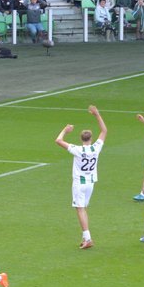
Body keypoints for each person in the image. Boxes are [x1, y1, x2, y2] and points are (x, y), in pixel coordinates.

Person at [55, 105, 107, 250]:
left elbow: (58, 141)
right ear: (91, 138)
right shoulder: (96, 148)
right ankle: (85, 237)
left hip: (79, 183)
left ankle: (88, 238)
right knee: (83, 208)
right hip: (91, 183)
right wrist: (97, 114)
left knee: (80, 209)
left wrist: (65, 130)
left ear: (80, 138)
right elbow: (104, 131)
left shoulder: (77, 149)